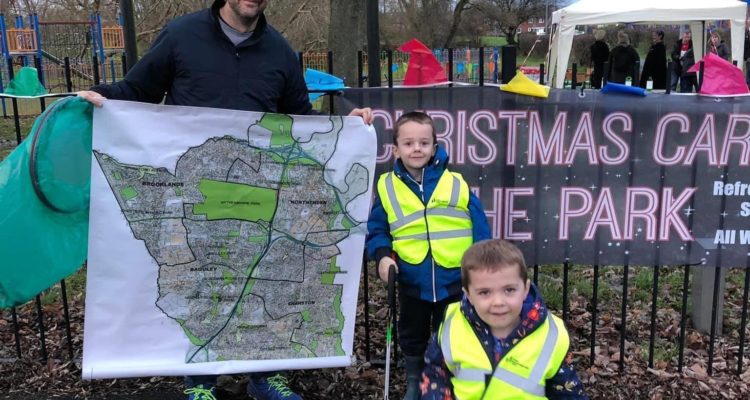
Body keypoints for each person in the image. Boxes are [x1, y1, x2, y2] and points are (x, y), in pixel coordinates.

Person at [78, 1, 373, 399]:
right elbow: (138, 90)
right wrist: (102, 96)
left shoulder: (280, 51)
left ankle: (265, 376)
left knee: (268, 278)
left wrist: (347, 127)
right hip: (200, 191)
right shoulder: (181, 36)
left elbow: (299, 118)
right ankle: (200, 382)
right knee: (206, 280)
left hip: (261, 193)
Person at [366, 111, 490, 400]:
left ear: (435, 147)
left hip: (454, 278)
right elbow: (378, 229)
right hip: (412, 278)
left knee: (454, 332)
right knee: (412, 333)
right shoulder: (387, 186)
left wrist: (481, 265)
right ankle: (415, 380)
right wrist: (383, 256)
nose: (417, 149)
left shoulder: (455, 182)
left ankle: (446, 381)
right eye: (408, 143)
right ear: (396, 150)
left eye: (424, 143)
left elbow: (480, 225)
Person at [420, 239, 588, 399]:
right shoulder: (452, 326)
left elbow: (567, 392)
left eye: (509, 290)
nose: (498, 302)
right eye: (485, 292)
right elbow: (436, 373)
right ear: (469, 295)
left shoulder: (551, 335)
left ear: (525, 289)